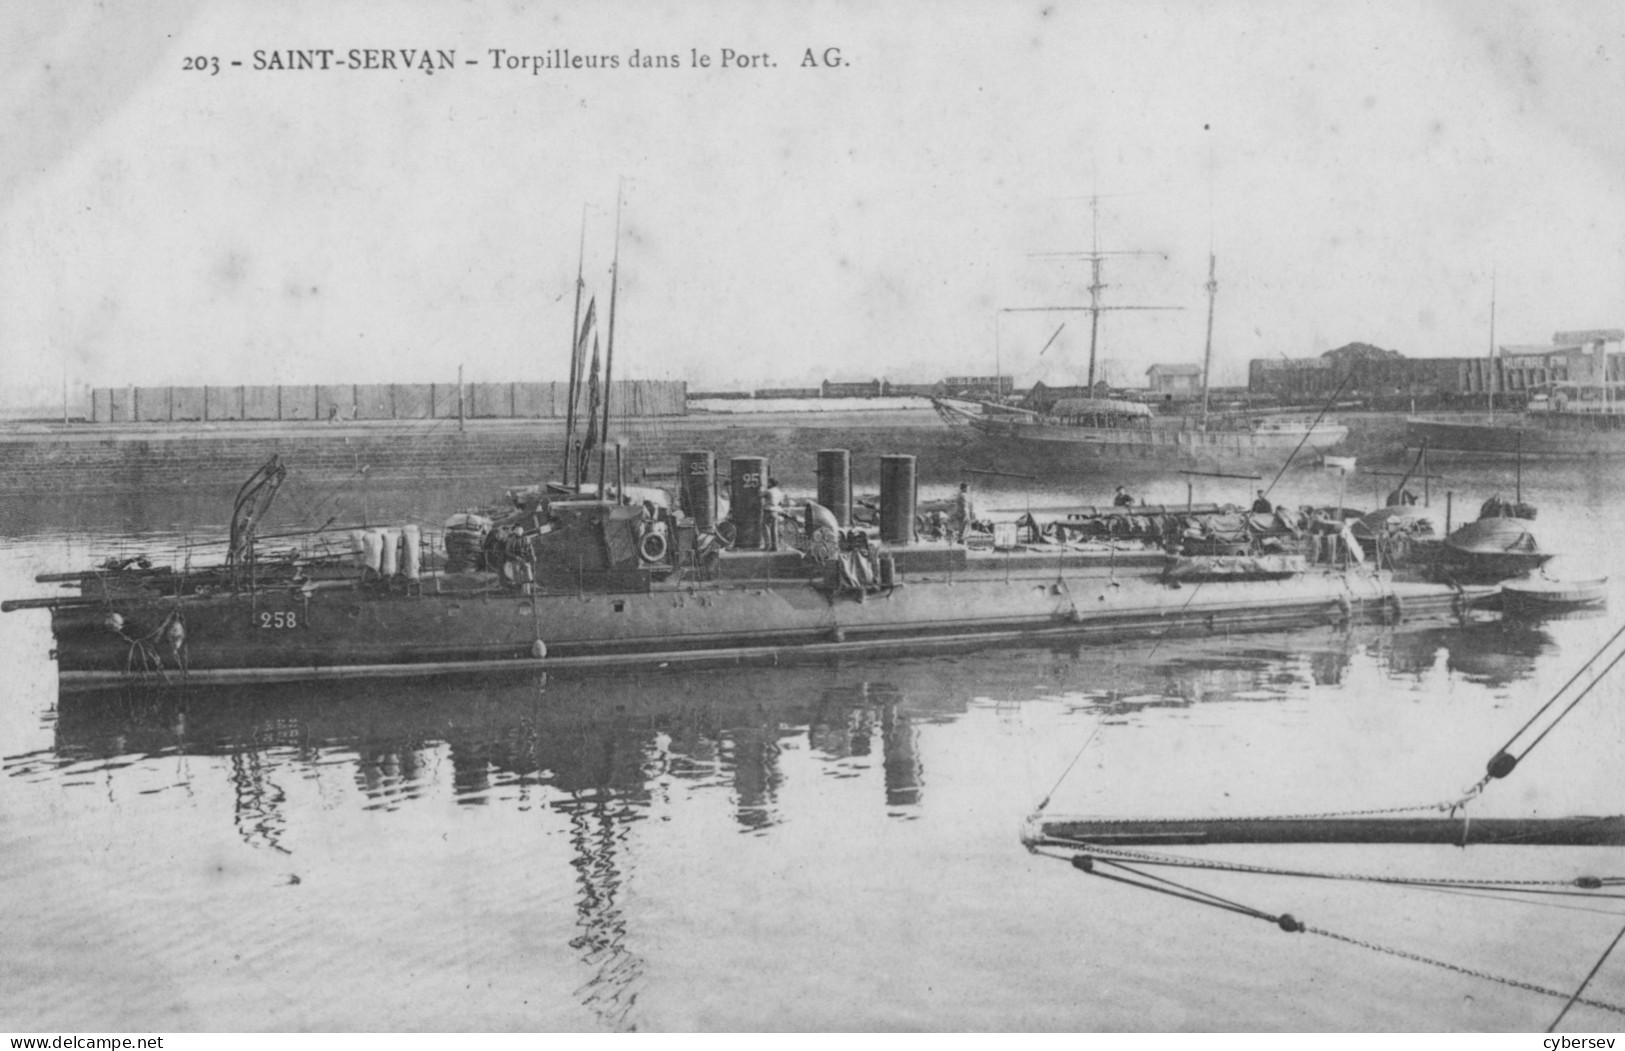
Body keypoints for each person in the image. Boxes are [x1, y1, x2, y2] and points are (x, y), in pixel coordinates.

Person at [761, 477, 786, 550]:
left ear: (771, 483)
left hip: (768, 511)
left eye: (768, 482)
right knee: (774, 529)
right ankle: (775, 547)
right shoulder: (780, 492)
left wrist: (760, 487)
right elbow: (781, 503)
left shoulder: (768, 491)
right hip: (776, 512)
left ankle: (767, 546)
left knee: (765, 528)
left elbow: (759, 495)